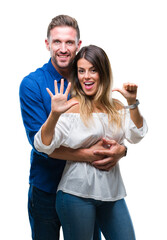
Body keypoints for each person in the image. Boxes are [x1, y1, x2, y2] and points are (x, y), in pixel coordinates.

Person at [19, 15, 127, 240]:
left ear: (78, 45)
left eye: (69, 42)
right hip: (47, 188)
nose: (63, 48)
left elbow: (109, 127)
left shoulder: (87, 80)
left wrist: (122, 151)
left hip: (88, 190)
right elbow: (40, 146)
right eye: (57, 42)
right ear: (47, 44)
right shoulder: (32, 84)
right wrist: (92, 155)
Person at [34, 45, 148, 240]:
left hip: (112, 194)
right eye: (81, 70)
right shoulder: (73, 107)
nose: (87, 76)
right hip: (75, 194)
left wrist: (132, 104)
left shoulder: (117, 107)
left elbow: (136, 134)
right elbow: (43, 145)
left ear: (103, 72)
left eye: (93, 70)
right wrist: (54, 115)